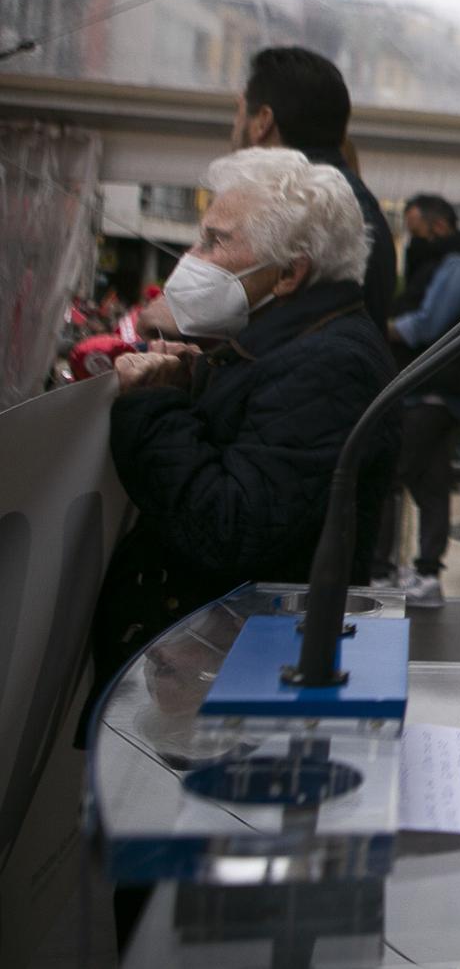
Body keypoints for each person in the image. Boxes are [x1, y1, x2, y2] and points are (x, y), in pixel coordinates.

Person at [90, 148, 398, 705]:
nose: (193, 256)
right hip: (219, 659)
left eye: (215, 241)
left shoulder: (327, 364)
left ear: (288, 273)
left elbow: (228, 528)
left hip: (238, 680)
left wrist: (156, 408)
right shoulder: (289, 344)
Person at [138, 47, 396, 336]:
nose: (194, 254)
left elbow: (301, 339)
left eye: (238, 111)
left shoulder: (331, 215)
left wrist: (189, 328)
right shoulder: (348, 204)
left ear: (262, 121)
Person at [370, 193, 460, 606]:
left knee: (389, 472)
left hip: (437, 390)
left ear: (439, 225)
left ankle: (381, 572)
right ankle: (425, 575)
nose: (413, 241)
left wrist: (379, 329)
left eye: (415, 231)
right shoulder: (453, 259)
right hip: (438, 390)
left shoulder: (459, 263)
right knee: (429, 482)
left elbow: (428, 323)